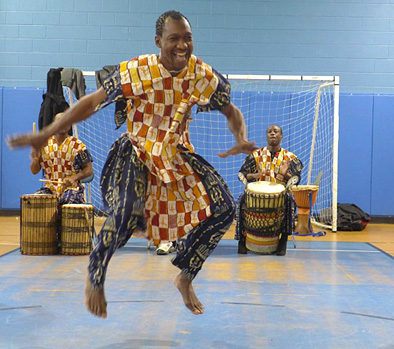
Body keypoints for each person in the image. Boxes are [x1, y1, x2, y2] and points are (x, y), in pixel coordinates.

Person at [8, 10, 256, 318]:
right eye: (173, 39)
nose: (182, 46)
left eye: (188, 38)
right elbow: (91, 102)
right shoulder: (138, 70)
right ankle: (96, 275)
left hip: (176, 155)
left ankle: (185, 275)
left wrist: (241, 137)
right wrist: (45, 132)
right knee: (126, 213)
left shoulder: (201, 75)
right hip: (137, 150)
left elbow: (230, 109)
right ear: (158, 41)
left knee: (225, 209)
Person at [235, 124, 303, 255]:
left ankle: (283, 240)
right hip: (257, 195)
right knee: (242, 199)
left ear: (281, 136)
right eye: (269, 132)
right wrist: (256, 175)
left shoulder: (289, 157)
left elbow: (296, 178)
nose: (272, 133)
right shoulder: (256, 155)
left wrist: (285, 174)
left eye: (276, 131)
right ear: (266, 136)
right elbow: (243, 174)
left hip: (280, 195)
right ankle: (242, 241)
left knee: (290, 201)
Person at [30, 112, 94, 205]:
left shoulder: (77, 145)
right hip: (50, 188)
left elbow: (89, 170)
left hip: (72, 188)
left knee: (67, 200)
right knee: (36, 200)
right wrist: (35, 159)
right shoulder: (43, 145)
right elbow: (34, 171)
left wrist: (74, 178)